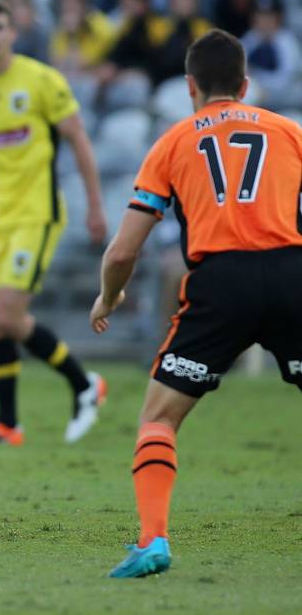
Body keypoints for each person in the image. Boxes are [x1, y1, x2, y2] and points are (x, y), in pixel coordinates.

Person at [91, 29, 302, 578]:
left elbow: (123, 251)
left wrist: (108, 297)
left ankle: (153, 541)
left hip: (219, 284)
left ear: (190, 86)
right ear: (246, 84)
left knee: (158, 420)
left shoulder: (173, 141)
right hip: (290, 275)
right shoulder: (288, 132)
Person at [0, 0, 108, 447]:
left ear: (13, 34)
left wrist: (95, 205)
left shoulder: (41, 80)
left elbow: (78, 138)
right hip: (1, 219)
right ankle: (7, 424)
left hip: (38, 214)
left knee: (8, 313)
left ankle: (83, 384)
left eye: (1, 25)